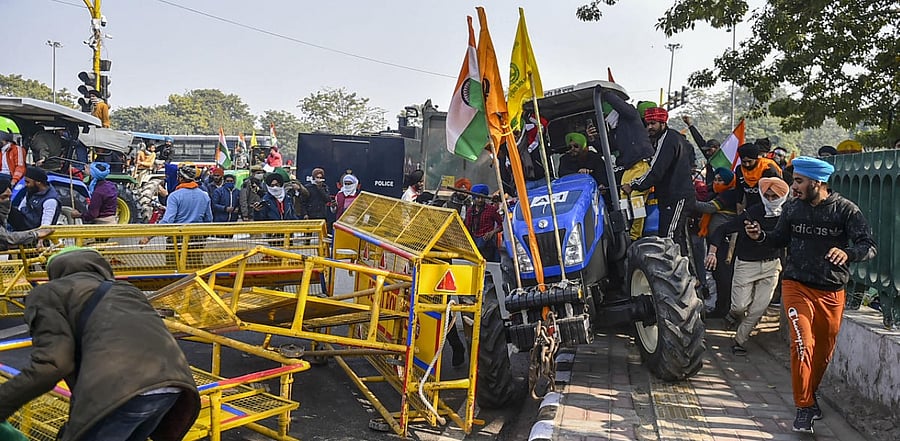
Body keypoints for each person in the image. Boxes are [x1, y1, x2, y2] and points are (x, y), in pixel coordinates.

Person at [0, 246, 200, 441]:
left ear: (56, 271)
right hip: (174, 386)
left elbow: (53, 364)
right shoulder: (127, 290)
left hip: (121, 389)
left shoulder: (49, 293)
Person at [744, 156, 876, 434]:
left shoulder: (846, 210)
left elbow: (869, 246)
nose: (793, 187)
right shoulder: (792, 208)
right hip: (796, 286)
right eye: (794, 181)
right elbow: (779, 239)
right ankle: (803, 407)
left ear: (818, 183)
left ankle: (811, 396)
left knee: (822, 353)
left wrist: (848, 253)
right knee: (802, 344)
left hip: (831, 291)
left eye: (799, 182)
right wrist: (760, 237)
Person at [706, 177, 789, 354]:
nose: (771, 200)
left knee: (758, 309)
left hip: (771, 266)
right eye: (767, 196)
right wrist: (712, 252)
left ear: (783, 196)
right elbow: (722, 229)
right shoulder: (753, 213)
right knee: (739, 307)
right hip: (746, 264)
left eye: (775, 197)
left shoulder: (788, 215)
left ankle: (739, 341)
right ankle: (732, 315)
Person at [622, 107, 696, 251]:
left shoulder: (668, 139)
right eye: (648, 124)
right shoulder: (668, 139)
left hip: (677, 197)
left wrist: (634, 185)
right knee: (676, 240)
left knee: (668, 241)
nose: (649, 127)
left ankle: (674, 272)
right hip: (671, 197)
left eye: (653, 123)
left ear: (663, 123)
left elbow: (656, 171)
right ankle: (687, 272)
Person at [602, 91, 655, 239]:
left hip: (642, 163)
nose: (607, 118)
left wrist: (605, 93)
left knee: (636, 197)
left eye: (608, 114)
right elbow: (612, 148)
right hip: (628, 167)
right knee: (622, 198)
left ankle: (634, 236)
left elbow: (621, 105)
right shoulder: (616, 130)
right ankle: (624, 232)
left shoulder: (631, 116)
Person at [0, 177, 54, 249]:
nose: (7, 200)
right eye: (4, 197)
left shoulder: (50, 199)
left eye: (9, 197)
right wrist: (36, 234)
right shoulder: (29, 195)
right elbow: (7, 238)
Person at [731, 143, 782, 209]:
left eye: (750, 161)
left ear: (756, 159)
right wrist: (738, 203)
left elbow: (779, 189)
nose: (747, 165)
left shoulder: (768, 169)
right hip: (749, 205)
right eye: (744, 162)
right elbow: (739, 188)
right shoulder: (739, 169)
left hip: (767, 207)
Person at [8, 167, 61, 231]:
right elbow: (21, 207)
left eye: (28, 182)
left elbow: (46, 224)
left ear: (38, 182)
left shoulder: (50, 200)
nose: (25, 184)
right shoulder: (32, 190)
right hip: (23, 220)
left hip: (32, 229)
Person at [464, 184, 503, 262]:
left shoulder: (491, 210)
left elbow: (501, 225)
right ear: (474, 198)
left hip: (488, 244)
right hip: (474, 242)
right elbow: (467, 227)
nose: (480, 200)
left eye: (482, 198)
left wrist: (492, 233)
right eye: (478, 198)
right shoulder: (470, 211)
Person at [0, 116, 26, 186]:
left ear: (4, 139)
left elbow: (20, 166)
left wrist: (14, 180)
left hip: (9, 176)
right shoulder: (1, 150)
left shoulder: (16, 149)